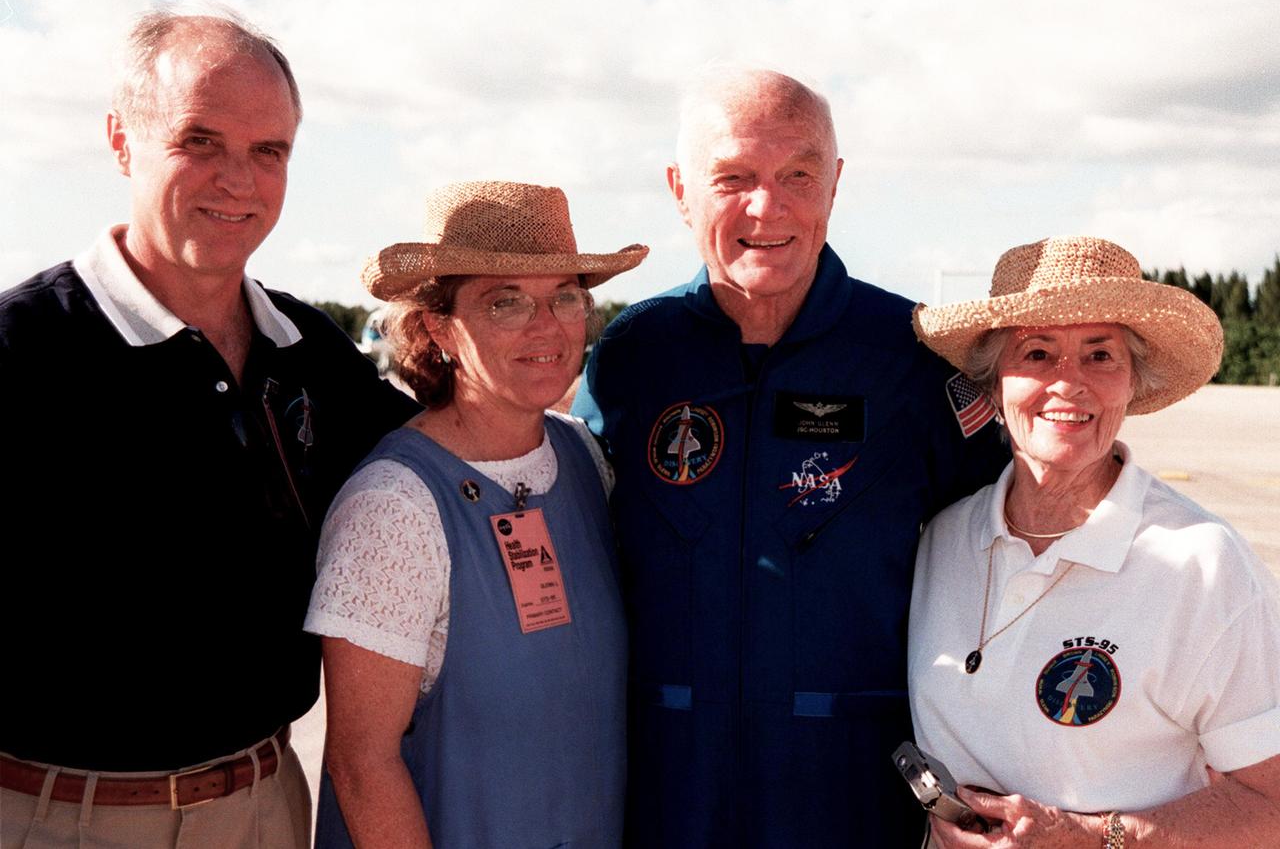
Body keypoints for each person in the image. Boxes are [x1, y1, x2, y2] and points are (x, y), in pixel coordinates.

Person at [0, 9, 417, 848]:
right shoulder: (19, 351)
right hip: (57, 820)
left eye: (270, 151)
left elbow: (438, 459)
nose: (240, 180)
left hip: (268, 805)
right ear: (122, 142)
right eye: (201, 140)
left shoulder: (310, 351)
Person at [571, 68, 1009, 847]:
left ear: (835, 184)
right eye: (733, 178)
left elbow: (1005, 554)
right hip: (665, 791)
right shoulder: (634, 357)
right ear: (680, 189)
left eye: (797, 175)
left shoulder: (910, 357)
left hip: (849, 795)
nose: (766, 208)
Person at [305, 180, 648, 848]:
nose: (546, 328)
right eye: (506, 302)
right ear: (438, 328)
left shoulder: (582, 458)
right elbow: (361, 765)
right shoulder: (394, 509)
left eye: (565, 297)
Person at [908, 236, 1280, 847]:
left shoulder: (1202, 564)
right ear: (994, 382)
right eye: (1037, 352)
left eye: (1100, 355)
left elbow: (1271, 803)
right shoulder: (943, 540)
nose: (1068, 384)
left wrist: (1093, 837)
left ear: (1134, 382)